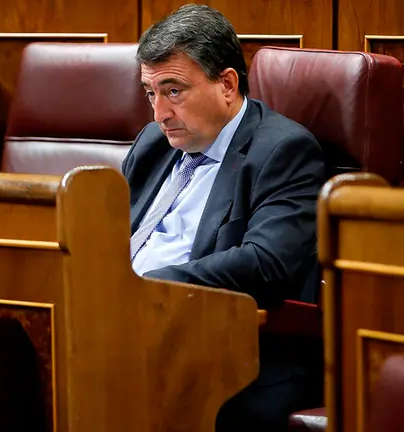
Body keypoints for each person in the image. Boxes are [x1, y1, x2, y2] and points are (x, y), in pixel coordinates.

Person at [123, 4, 325, 431]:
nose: (159, 114)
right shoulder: (153, 144)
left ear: (228, 84)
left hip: (233, 349)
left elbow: (266, 261)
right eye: (150, 94)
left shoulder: (282, 151)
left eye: (173, 91)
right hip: (129, 328)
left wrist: (149, 285)